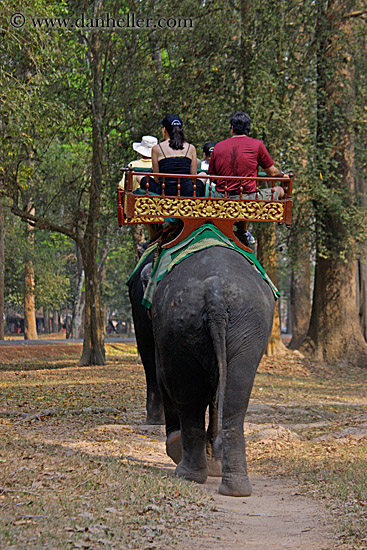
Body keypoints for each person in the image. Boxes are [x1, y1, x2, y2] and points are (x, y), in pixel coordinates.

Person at [209, 112, 285, 199]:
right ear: (248, 129)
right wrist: (283, 176)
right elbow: (273, 172)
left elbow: (213, 177)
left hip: (222, 198)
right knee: (279, 190)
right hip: (248, 199)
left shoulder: (218, 147)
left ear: (232, 129)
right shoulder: (257, 145)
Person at [139, 114, 205, 197]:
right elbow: (193, 176)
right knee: (203, 174)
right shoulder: (190, 148)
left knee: (138, 176)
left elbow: (156, 178)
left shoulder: (157, 148)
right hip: (187, 191)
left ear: (164, 130)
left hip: (164, 191)